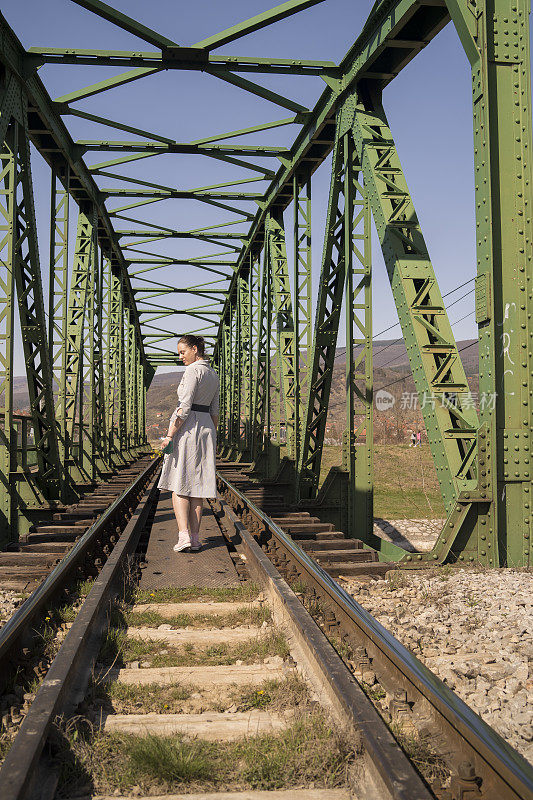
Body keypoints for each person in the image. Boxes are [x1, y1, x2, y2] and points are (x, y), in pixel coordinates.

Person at [158, 335, 219, 553]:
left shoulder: (193, 371)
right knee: (198, 487)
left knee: (179, 483)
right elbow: (215, 411)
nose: (181, 357)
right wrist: (211, 435)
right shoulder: (212, 373)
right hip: (206, 430)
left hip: (188, 428)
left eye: (183, 352)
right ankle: (195, 538)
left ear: (195, 349)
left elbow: (184, 407)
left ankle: (183, 535)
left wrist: (170, 435)